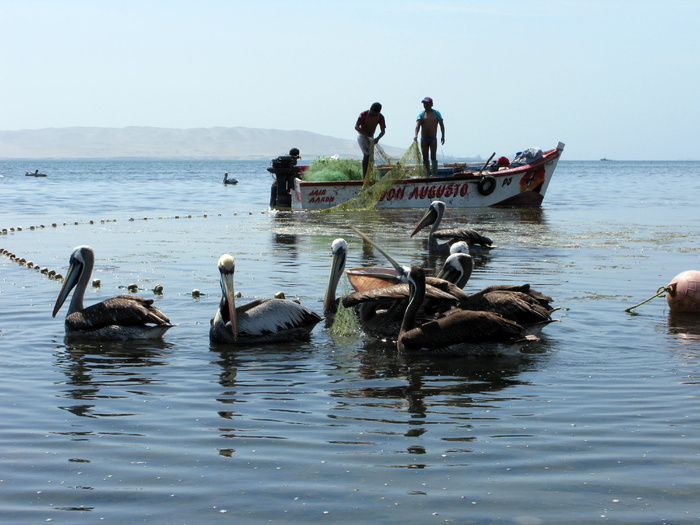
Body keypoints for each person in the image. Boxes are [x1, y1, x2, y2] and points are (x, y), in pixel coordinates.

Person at [414, 97, 445, 176]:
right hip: (424, 138)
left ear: (431, 104)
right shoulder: (421, 114)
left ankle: (434, 174)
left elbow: (441, 125)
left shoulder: (436, 113)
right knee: (425, 157)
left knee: (433, 156)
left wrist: (443, 136)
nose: (425, 105)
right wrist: (416, 135)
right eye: (424, 104)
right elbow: (417, 125)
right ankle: (426, 174)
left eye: (427, 103)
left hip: (433, 138)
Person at [355, 102, 386, 179]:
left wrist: (377, 138)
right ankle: (364, 177)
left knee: (371, 158)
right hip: (361, 135)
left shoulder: (380, 117)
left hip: (371, 137)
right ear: (370, 109)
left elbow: (383, 131)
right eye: (373, 112)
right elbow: (356, 127)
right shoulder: (363, 114)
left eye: (376, 113)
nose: (373, 114)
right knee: (366, 154)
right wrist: (364, 133)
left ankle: (369, 176)